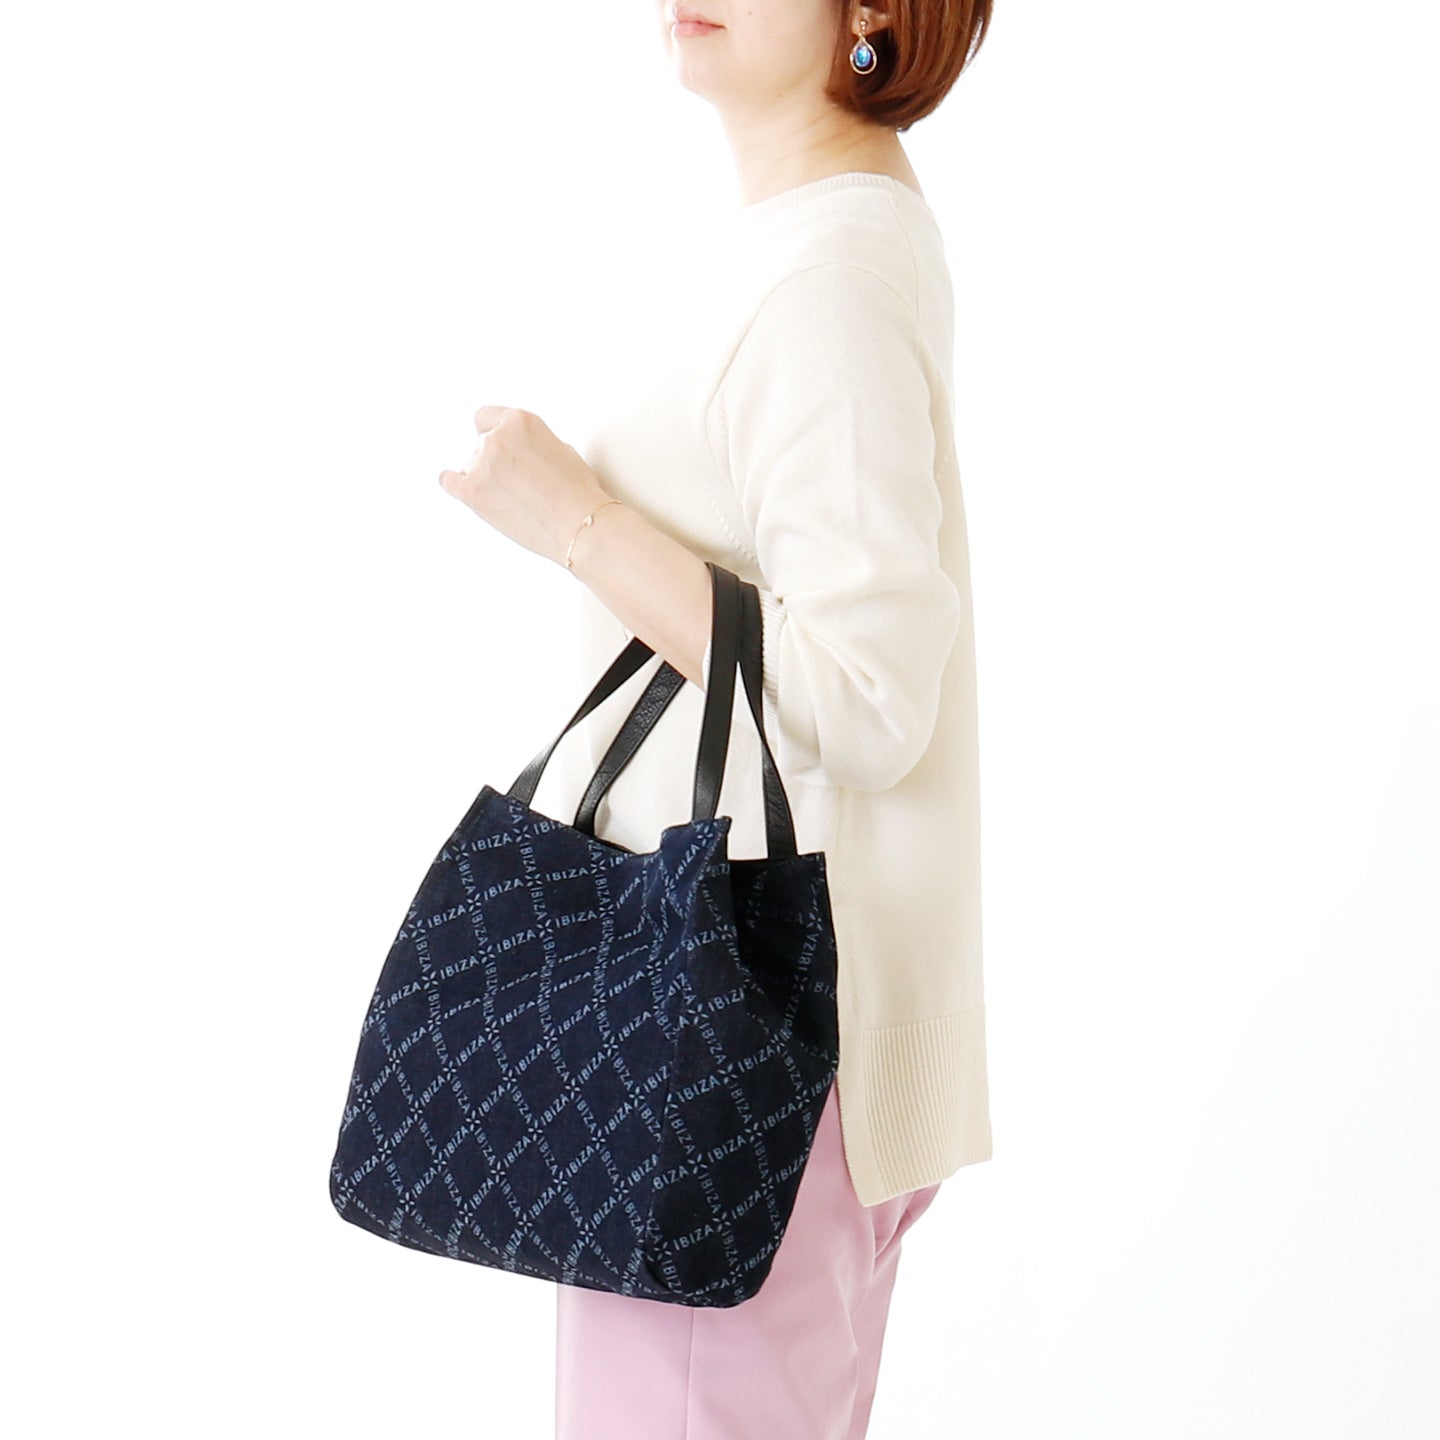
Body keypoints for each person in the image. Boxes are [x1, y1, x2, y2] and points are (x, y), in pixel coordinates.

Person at [437, 3, 995, 1434]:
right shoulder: (821, 239)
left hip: (737, 1044)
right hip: (761, 1035)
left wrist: (577, 523)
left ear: (876, 11)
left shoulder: (824, 274)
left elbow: (867, 698)